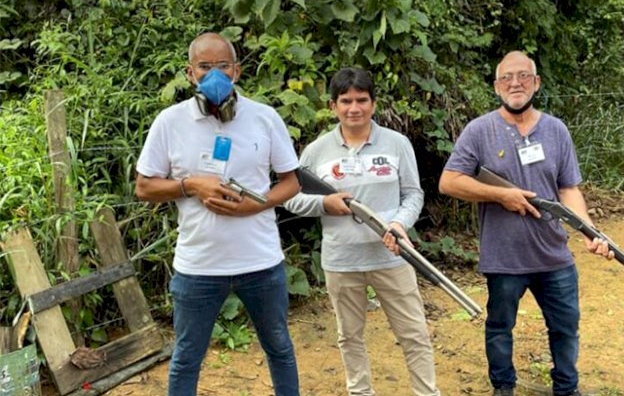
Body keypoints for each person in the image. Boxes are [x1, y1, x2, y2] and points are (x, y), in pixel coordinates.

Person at [438, 51, 614, 396]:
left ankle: (567, 388)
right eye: (506, 78)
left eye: (522, 76)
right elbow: (449, 182)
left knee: (566, 327)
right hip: (503, 256)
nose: (514, 83)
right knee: (500, 327)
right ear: (496, 86)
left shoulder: (556, 130)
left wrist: (589, 231)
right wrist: (500, 195)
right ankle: (503, 387)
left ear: (536, 83)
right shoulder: (479, 130)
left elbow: (568, 188)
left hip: (553, 254)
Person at [135, 32, 301, 396]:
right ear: (190, 72)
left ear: (237, 70)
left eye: (223, 66)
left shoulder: (265, 117)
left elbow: (291, 182)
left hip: (261, 262)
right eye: (205, 66)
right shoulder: (169, 122)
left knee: (280, 349)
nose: (215, 74)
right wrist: (191, 185)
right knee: (187, 357)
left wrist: (257, 204)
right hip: (198, 267)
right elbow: (144, 187)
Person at [284, 67, 441, 396]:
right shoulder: (316, 151)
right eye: (345, 101)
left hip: (392, 257)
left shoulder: (397, 144)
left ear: (373, 103)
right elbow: (292, 199)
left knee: (414, 334)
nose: (353, 108)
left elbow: (413, 194)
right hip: (341, 262)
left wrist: (399, 224)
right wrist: (325, 204)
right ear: (332, 105)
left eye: (361, 100)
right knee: (350, 336)